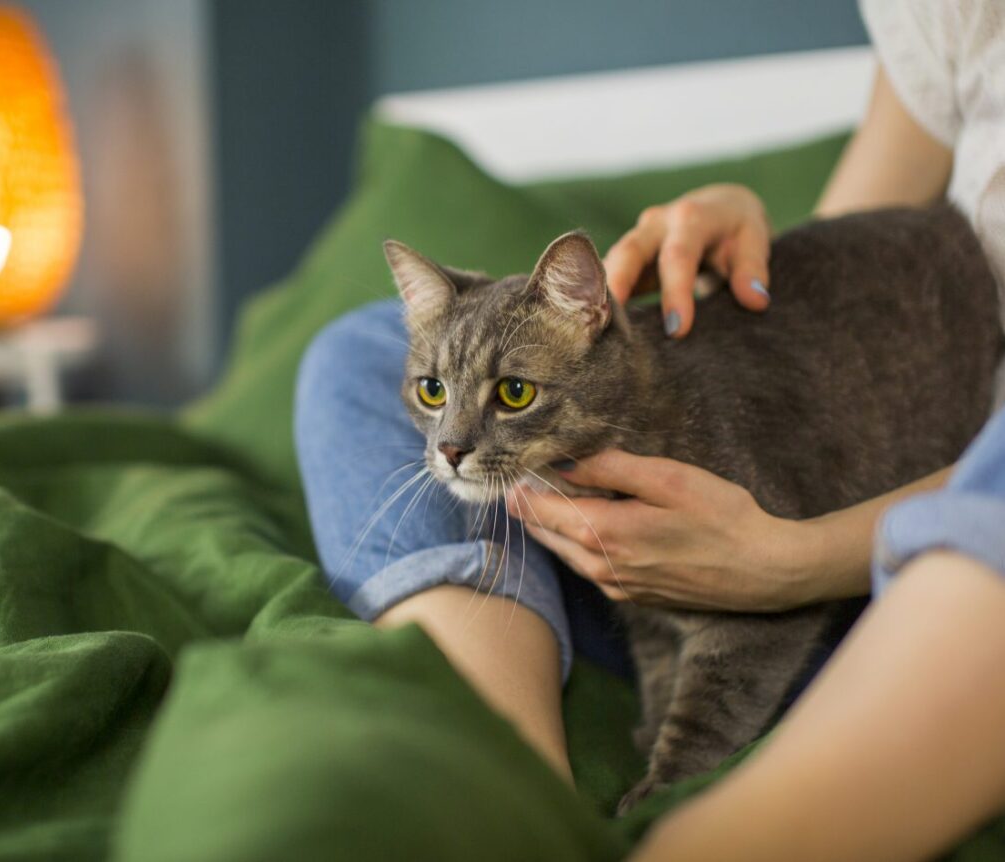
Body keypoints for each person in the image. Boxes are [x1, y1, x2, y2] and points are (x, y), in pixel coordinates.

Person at [294, 2, 1005, 857]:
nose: (451, 442)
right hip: (698, 495)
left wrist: (784, 566)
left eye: (509, 396)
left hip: (922, 578)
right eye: (440, 399)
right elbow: (847, 254)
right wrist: (749, 240)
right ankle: (522, 778)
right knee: (358, 349)